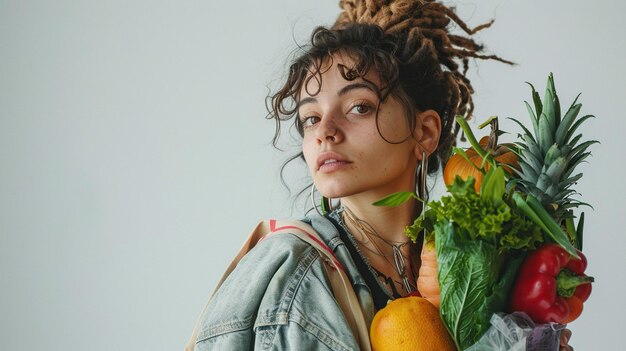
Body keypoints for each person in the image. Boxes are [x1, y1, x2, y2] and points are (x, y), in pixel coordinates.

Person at [186, 0, 573, 350]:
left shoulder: (460, 260)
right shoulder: (297, 273)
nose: (325, 131)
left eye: (358, 107)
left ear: (423, 132)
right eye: (310, 117)